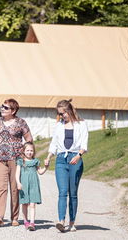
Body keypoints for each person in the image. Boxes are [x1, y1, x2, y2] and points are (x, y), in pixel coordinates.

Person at [0, 98, 33, 227]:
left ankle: (15, 217)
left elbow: (29, 140)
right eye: (2, 106)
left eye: (5, 107)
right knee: (1, 187)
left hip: (15, 159)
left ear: (13, 110)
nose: (2, 109)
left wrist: (27, 156)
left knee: (14, 189)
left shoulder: (21, 123)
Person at [45, 99, 88, 233]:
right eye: (60, 114)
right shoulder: (59, 125)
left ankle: (72, 223)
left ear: (69, 110)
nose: (62, 116)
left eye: (63, 113)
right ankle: (61, 221)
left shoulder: (81, 124)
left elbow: (84, 144)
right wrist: (48, 157)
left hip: (75, 158)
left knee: (73, 193)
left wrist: (78, 155)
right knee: (62, 192)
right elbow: (54, 143)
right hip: (61, 159)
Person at [15, 142, 48, 231]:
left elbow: (40, 172)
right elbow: (17, 173)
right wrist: (18, 182)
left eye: (31, 150)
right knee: (25, 204)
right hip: (24, 185)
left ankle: (32, 223)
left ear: (33, 152)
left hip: (34, 185)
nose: (29, 152)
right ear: (24, 151)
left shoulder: (35, 161)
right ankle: (26, 221)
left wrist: (46, 167)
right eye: (27, 150)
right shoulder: (20, 161)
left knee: (32, 204)